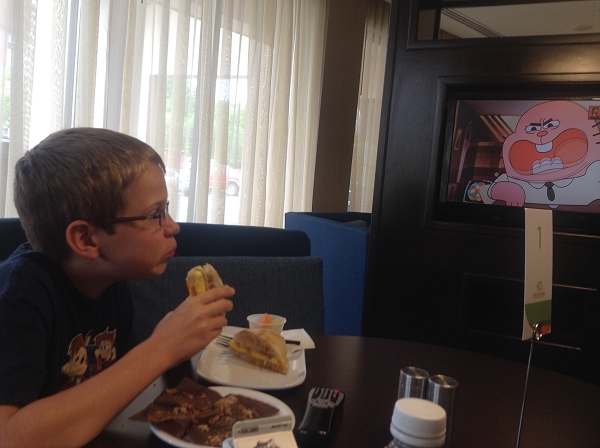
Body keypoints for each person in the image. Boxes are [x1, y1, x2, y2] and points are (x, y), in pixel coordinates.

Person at [0, 128, 235, 447]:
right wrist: (162, 347)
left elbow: (112, 392)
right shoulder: (18, 297)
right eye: (156, 214)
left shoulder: (110, 282)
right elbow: (9, 436)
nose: (173, 226)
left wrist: (181, 349)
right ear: (86, 239)